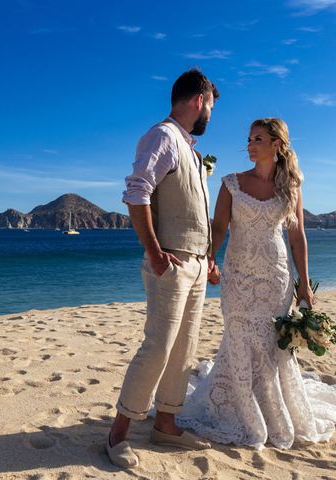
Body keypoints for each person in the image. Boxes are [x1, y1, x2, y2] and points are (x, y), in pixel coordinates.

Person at [176, 118, 336, 449]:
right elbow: (218, 227)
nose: (250, 145)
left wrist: (304, 283)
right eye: (248, 139)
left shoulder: (290, 186)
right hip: (238, 274)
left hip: (275, 276)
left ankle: (272, 408)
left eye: (257, 139)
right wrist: (210, 258)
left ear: (276, 144)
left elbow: (297, 236)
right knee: (238, 334)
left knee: (269, 342)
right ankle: (236, 409)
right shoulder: (231, 183)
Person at [107, 69, 220, 468]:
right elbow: (137, 191)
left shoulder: (188, 148)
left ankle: (166, 424)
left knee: (185, 348)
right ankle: (118, 433)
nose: (211, 116)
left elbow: (192, 210)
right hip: (169, 262)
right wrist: (154, 252)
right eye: (211, 107)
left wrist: (208, 257)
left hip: (194, 263)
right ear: (199, 100)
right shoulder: (163, 136)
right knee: (157, 346)